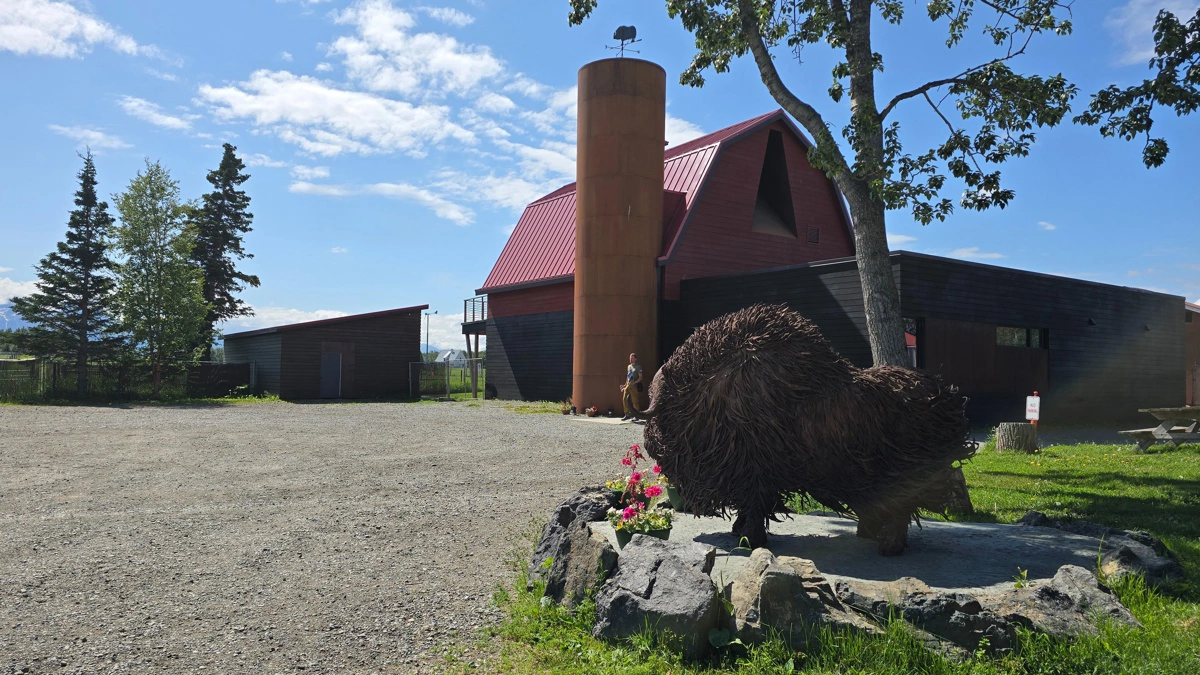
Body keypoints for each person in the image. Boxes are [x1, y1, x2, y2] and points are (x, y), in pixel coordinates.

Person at [621, 353, 643, 420]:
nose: (631, 359)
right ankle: (627, 414)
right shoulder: (629, 366)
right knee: (624, 399)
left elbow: (640, 377)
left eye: (632, 358)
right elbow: (628, 377)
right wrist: (624, 385)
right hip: (628, 385)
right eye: (630, 358)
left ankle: (636, 416)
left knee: (635, 401)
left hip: (634, 386)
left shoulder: (638, 367)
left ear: (635, 359)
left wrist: (635, 382)